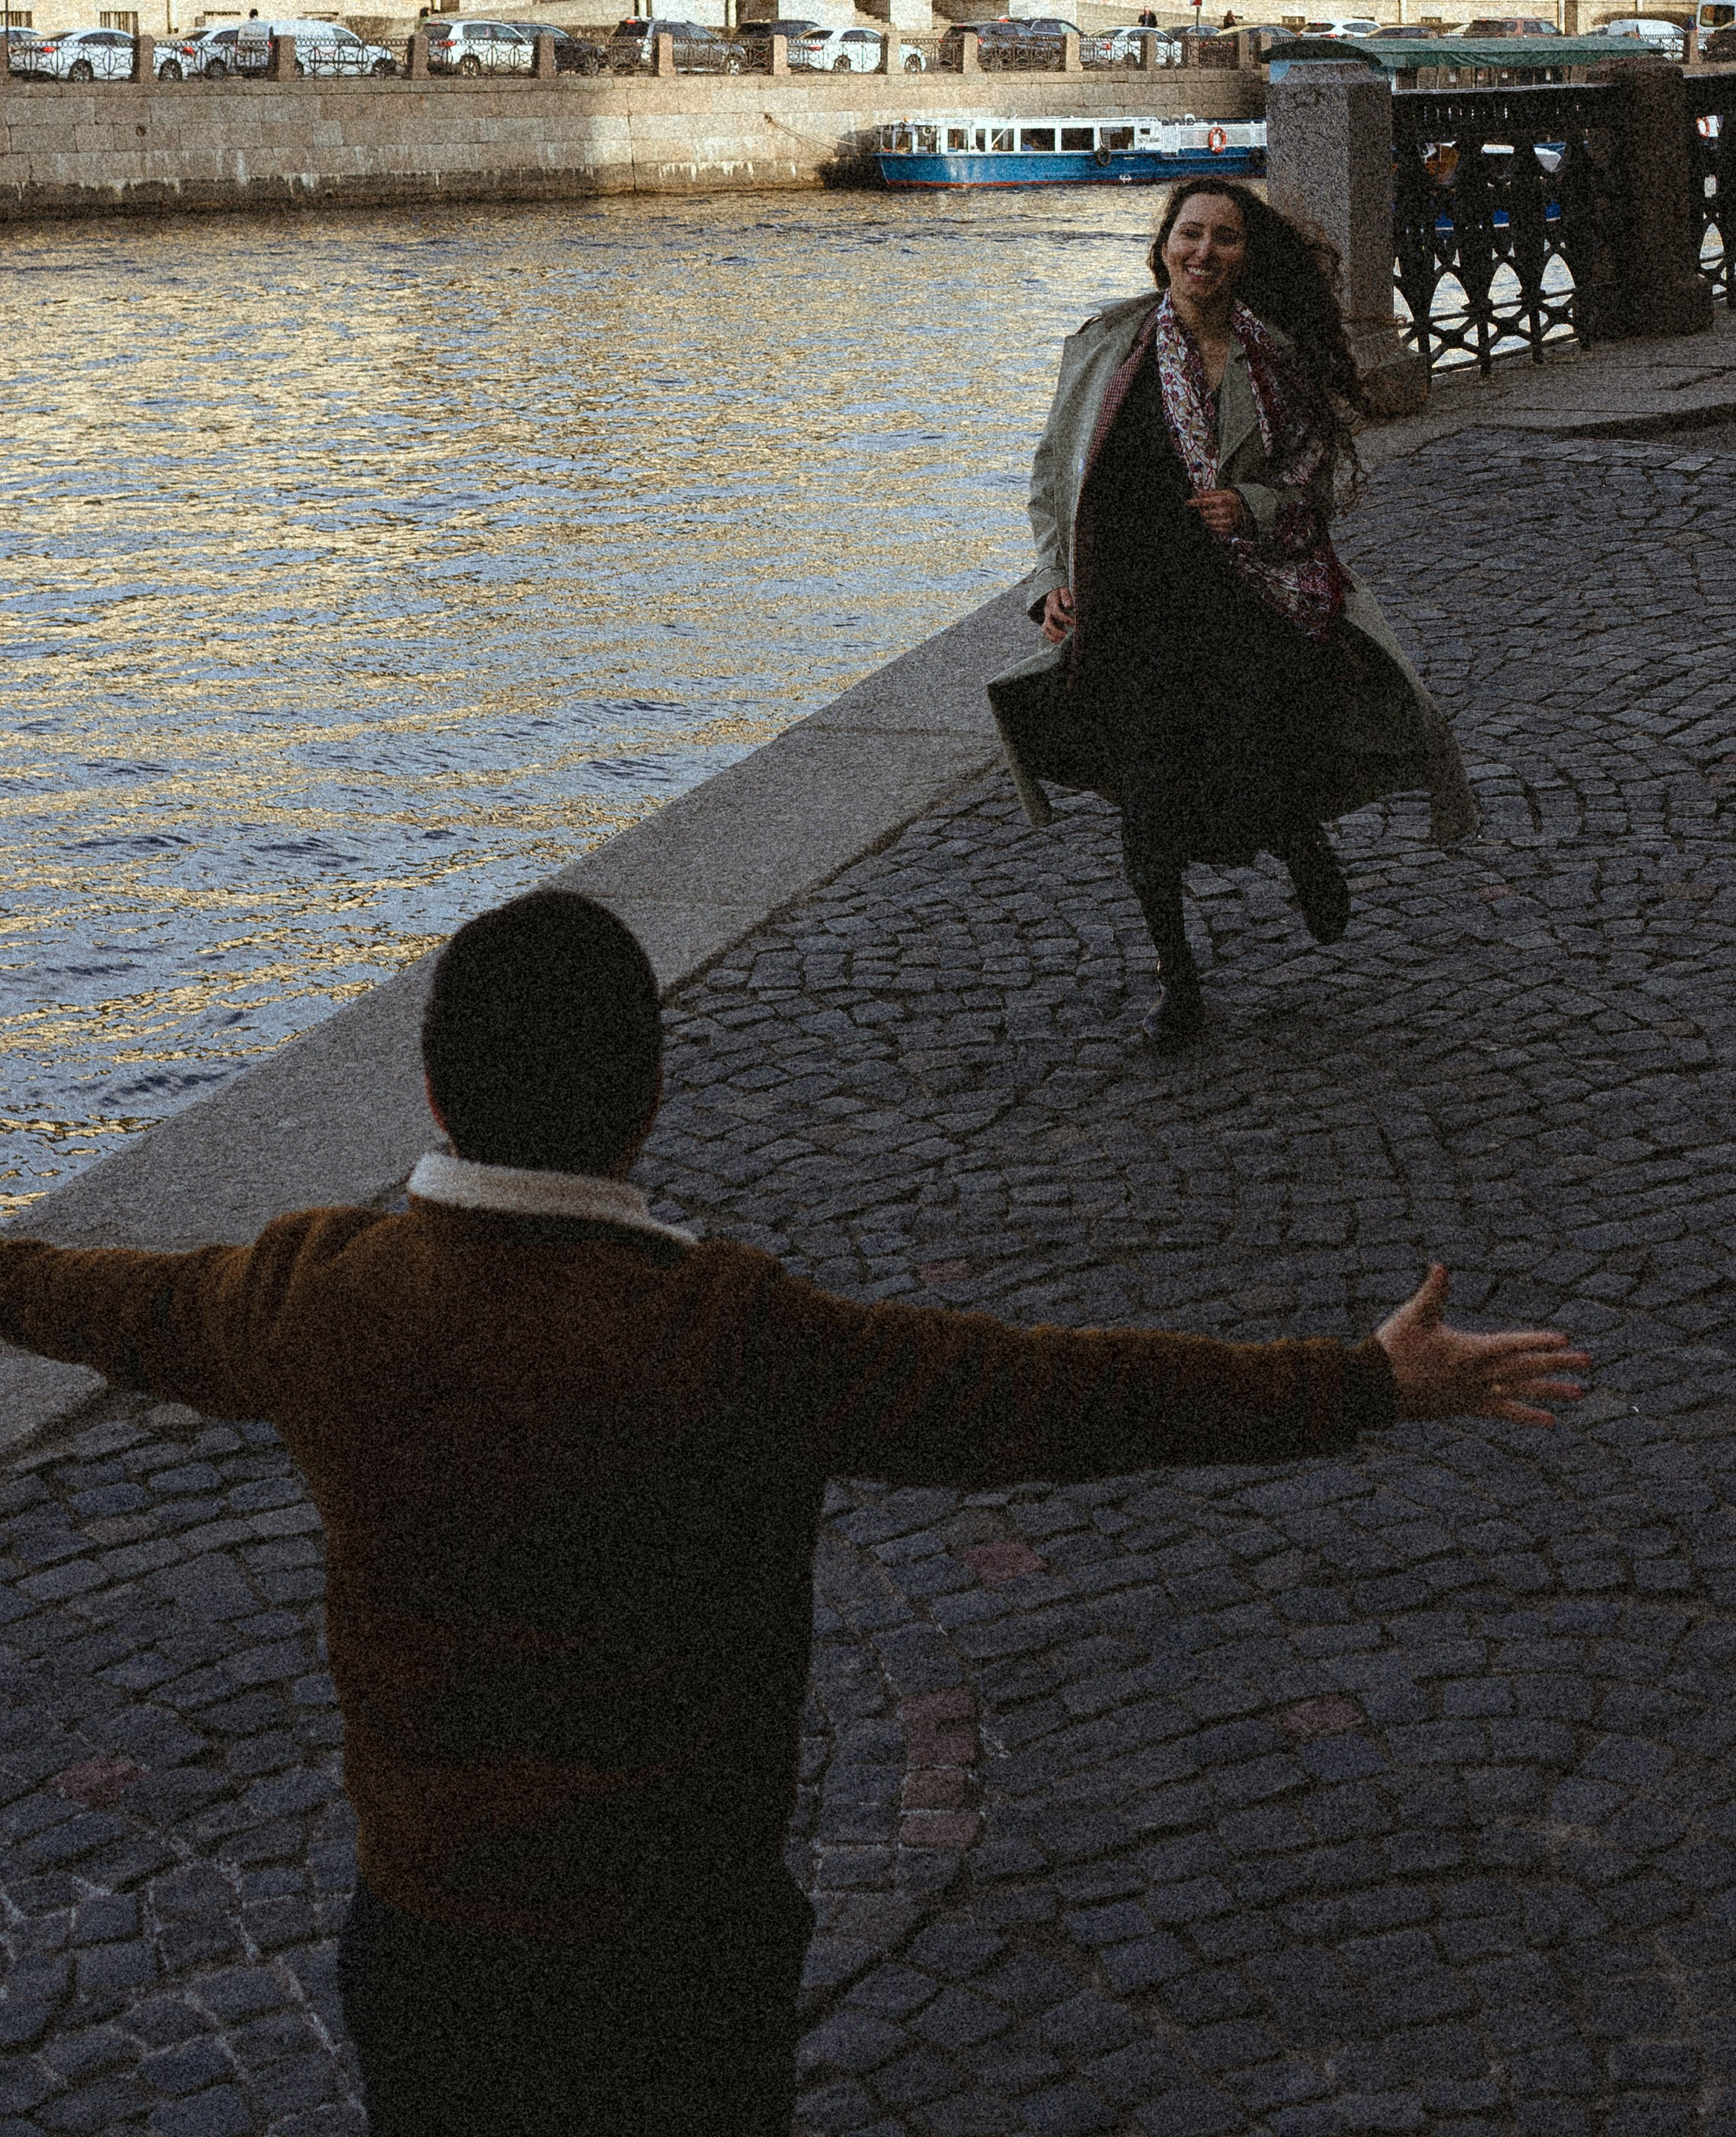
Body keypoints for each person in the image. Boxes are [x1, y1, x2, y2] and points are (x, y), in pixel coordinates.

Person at [0, 887, 1586, 2137]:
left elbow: (90, 1300)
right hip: (680, 1950)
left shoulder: (315, 1300)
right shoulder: (730, 1338)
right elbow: (1050, 1397)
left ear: (429, 1086)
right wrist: (1362, 1384)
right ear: (648, 1099)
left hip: (436, 1941)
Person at [989, 181, 1478, 1048]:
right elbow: (1051, 474)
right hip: (1130, 609)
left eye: (1223, 238)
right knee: (1148, 805)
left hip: (1242, 606)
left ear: (1246, 255)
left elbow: (1315, 478)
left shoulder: (1272, 359)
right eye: (1188, 235)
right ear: (1162, 245)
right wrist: (1052, 580)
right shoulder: (1110, 346)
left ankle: (1298, 843)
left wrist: (1250, 504)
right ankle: (1178, 986)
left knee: (1254, 768)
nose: (1201, 253)